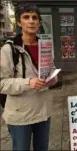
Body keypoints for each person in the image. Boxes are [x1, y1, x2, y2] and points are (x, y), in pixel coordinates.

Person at [0, 3, 58, 151]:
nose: (31, 21)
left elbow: (50, 70)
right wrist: (28, 83)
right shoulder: (9, 49)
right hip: (20, 115)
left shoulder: (45, 46)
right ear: (19, 22)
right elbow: (2, 83)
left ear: (39, 22)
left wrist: (53, 78)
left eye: (34, 17)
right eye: (26, 17)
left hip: (43, 111)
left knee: (42, 148)